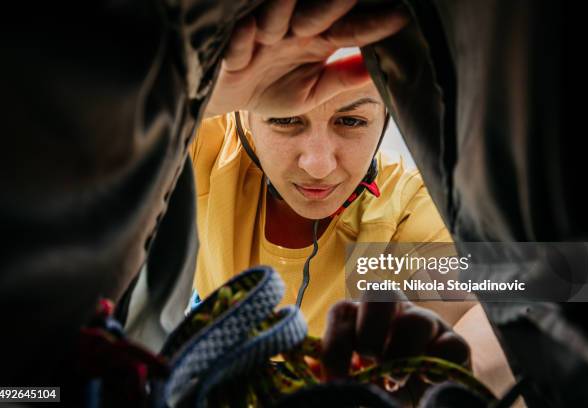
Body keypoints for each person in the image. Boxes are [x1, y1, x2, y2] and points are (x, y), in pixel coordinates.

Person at [186, 0, 517, 400]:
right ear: (244, 118)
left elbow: (567, 282)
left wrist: (458, 372)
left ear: (386, 119)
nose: (319, 165)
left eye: (351, 121)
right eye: (286, 119)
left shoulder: (399, 212)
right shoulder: (208, 145)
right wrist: (204, 95)